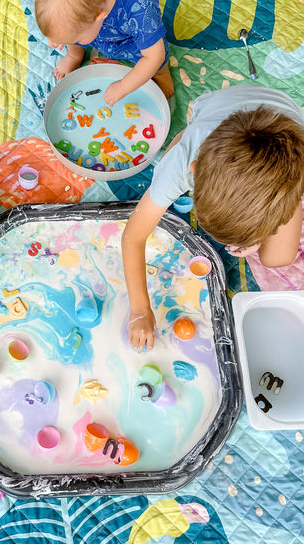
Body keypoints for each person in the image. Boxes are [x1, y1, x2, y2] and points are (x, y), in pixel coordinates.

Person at [122, 85, 304, 351]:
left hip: (286, 127)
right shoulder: (181, 165)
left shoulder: (297, 170)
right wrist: (139, 308)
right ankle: (190, 130)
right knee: (175, 158)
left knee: (278, 259)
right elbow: (133, 235)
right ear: (194, 172)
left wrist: (256, 240)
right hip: (213, 109)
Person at [35, 0, 174, 105]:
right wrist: (58, 35)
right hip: (95, 27)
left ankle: (162, 74)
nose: (59, 44)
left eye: (74, 39)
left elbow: (155, 56)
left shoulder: (140, 9)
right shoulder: (89, 9)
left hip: (131, 39)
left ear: (100, 16)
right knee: (74, 32)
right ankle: (74, 55)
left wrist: (124, 86)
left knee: (157, 63)